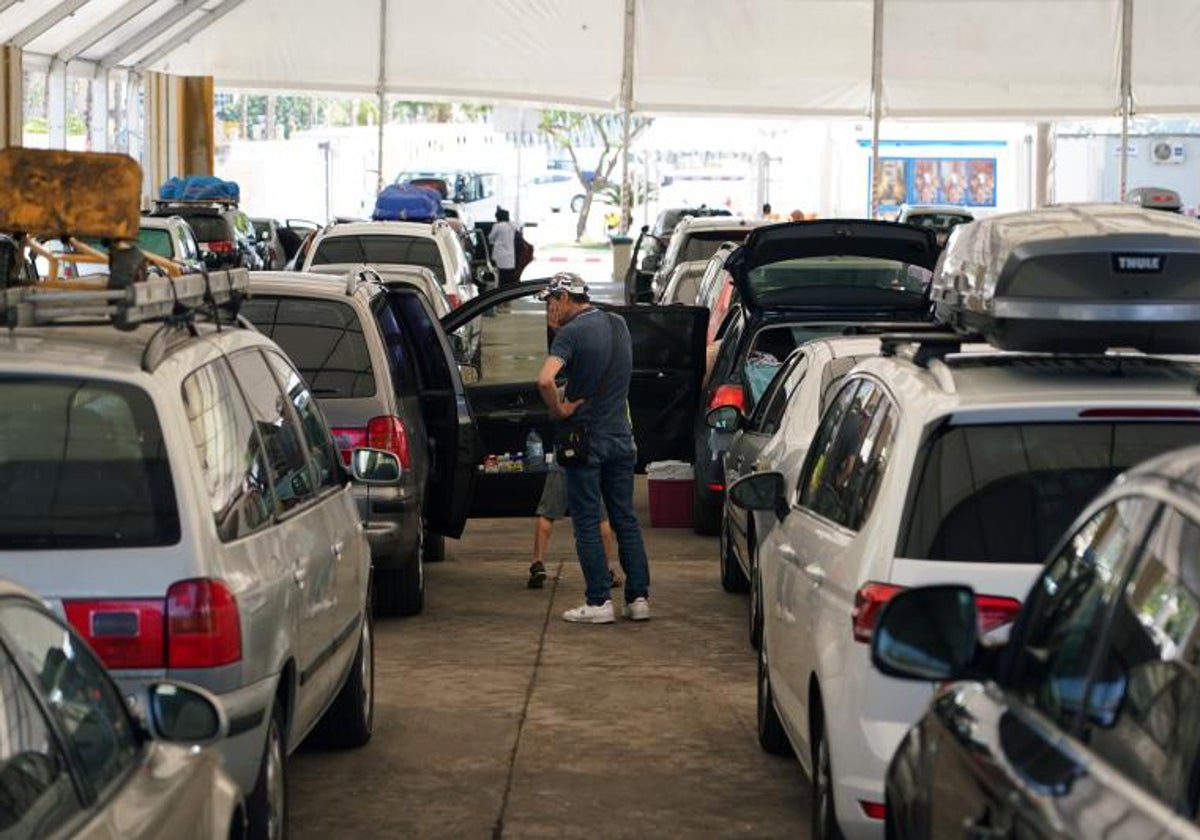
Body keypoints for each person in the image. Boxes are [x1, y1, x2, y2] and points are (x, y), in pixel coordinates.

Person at [535, 272, 651, 623]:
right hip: (621, 436)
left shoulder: (571, 334)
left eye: (552, 301)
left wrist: (559, 409)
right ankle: (639, 598)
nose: (549, 308)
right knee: (625, 519)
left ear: (566, 298)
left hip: (585, 440)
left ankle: (599, 601)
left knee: (586, 520)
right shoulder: (618, 323)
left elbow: (544, 379)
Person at [527, 463, 623, 589]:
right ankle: (603, 572)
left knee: (547, 514)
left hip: (563, 460)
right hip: (592, 464)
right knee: (601, 518)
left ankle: (537, 564)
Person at [488, 207, 518, 290]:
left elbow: (491, 238)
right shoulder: (512, 226)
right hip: (510, 255)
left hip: (500, 254)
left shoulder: (498, 226)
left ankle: (500, 292)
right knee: (508, 276)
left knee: (500, 276)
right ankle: (507, 292)